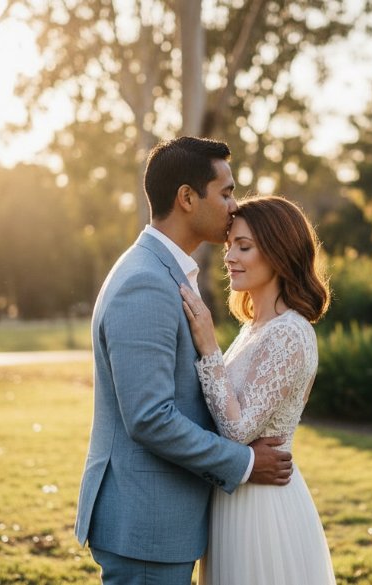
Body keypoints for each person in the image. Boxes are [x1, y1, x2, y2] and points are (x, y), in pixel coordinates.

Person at [73, 137, 294, 585]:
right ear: (188, 198)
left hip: (161, 521)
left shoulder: (163, 271)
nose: (234, 206)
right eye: (226, 192)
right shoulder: (147, 283)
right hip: (146, 524)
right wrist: (246, 463)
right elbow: (150, 418)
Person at [179, 195, 336, 584]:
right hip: (235, 495)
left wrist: (209, 348)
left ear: (279, 252)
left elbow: (237, 428)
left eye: (243, 246)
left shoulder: (290, 332)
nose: (229, 256)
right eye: (230, 244)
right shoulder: (255, 329)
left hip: (262, 508)